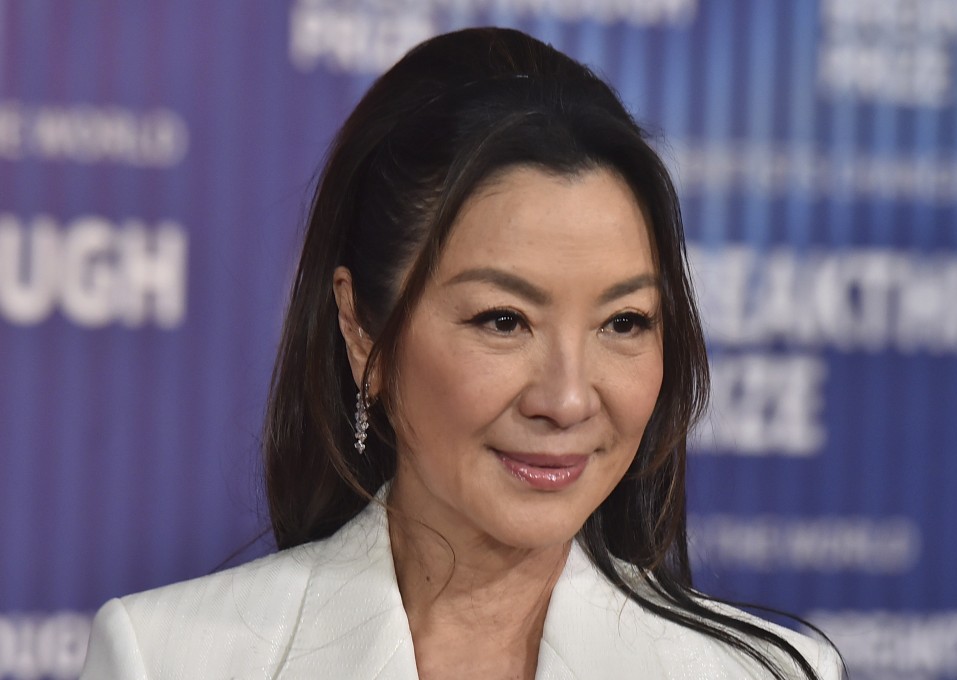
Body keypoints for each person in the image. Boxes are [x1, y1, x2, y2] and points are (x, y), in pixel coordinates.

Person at [81, 27, 843, 680]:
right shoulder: (170, 659)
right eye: (504, 320)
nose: (569, 398)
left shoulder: (764, 673)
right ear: (362, 330)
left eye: (623, 322)